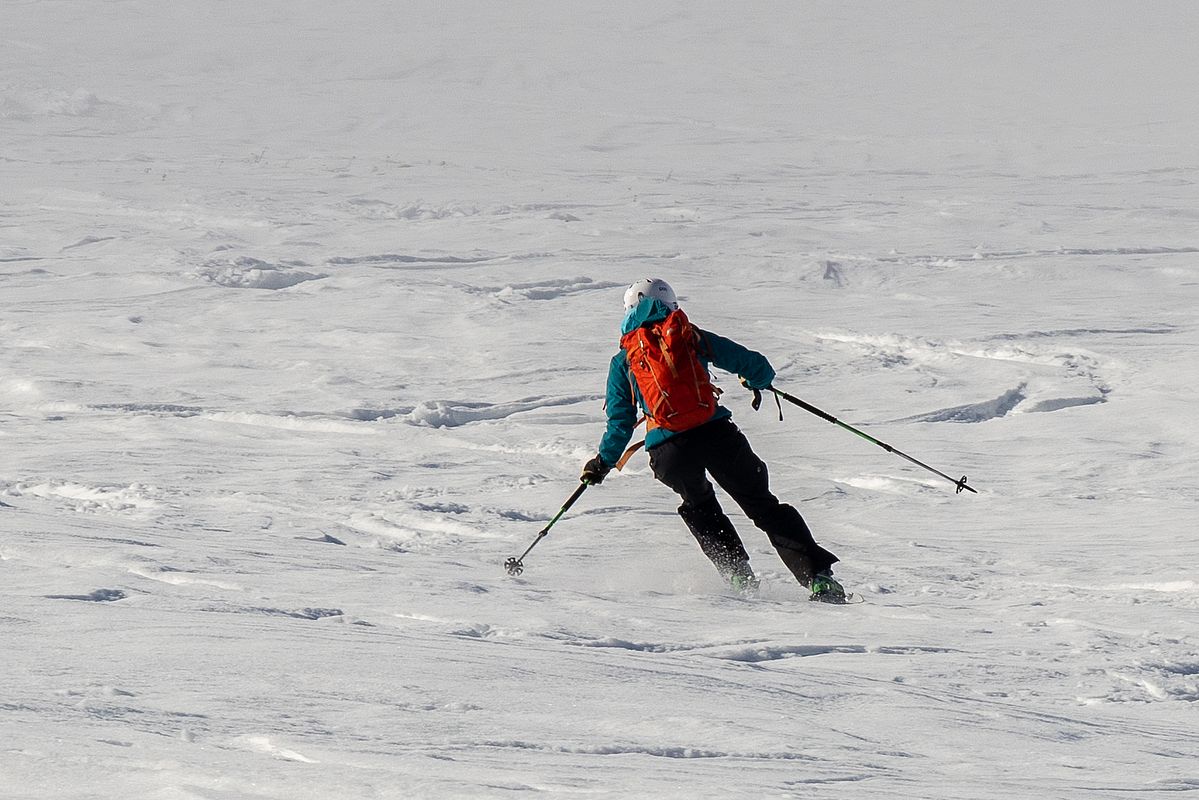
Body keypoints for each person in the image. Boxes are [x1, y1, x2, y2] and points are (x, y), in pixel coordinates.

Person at [580, 278, 846, 602]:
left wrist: (603, 463)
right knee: (763, 506)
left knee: (700, 506)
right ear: (671, 306)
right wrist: (755, 380)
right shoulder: (689, 337)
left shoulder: (624, 361)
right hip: (716, 435)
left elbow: (620, 423)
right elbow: (755, 365)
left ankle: (738, 576)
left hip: (668, 451)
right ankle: (818, 579)